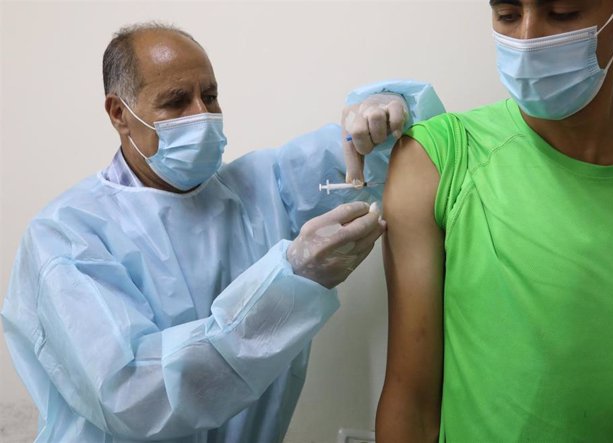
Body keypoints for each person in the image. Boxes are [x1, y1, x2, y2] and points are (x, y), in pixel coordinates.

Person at [1, 23, 444, 442]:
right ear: (119, 113)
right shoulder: (66, 237)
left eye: (209, 96)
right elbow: (135, 396)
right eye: (177, 101)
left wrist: (384, 111)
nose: (203, 116)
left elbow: (395, 152)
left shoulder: (261, 188)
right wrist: (290, 282)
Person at [375, 0, 613, 441]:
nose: (526, 40)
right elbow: (410, 400)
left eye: (562, 13)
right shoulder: (439, 160)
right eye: (506, 14)